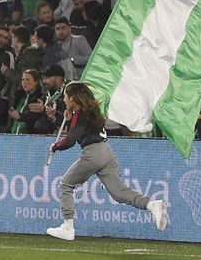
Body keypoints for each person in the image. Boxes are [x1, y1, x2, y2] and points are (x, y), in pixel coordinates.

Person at [45, 82, 169, 241]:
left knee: (66, 184)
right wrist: (69, 118)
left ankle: (68, 228)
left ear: (71, 98)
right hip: (106, 151)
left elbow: (70, 140)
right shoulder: (91, 111)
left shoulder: (80, 114)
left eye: (65, 97)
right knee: (119, 193)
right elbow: (80, 129)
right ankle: (153, 205)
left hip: (92, 154)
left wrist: (56, 146)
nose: (63, 99)